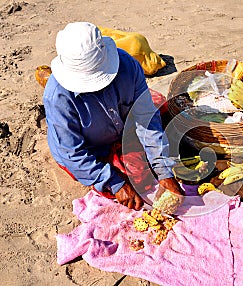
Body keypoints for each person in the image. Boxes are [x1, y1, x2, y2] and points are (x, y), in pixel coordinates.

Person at [43, 22, 183, 210]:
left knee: (166, 115)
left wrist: (164, 171)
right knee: (134, 181)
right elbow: (71, 152)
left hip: (124, 128)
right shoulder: (58, 97)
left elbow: (146, 119)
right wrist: (115, 183)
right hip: (90, 148)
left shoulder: (128, 66)